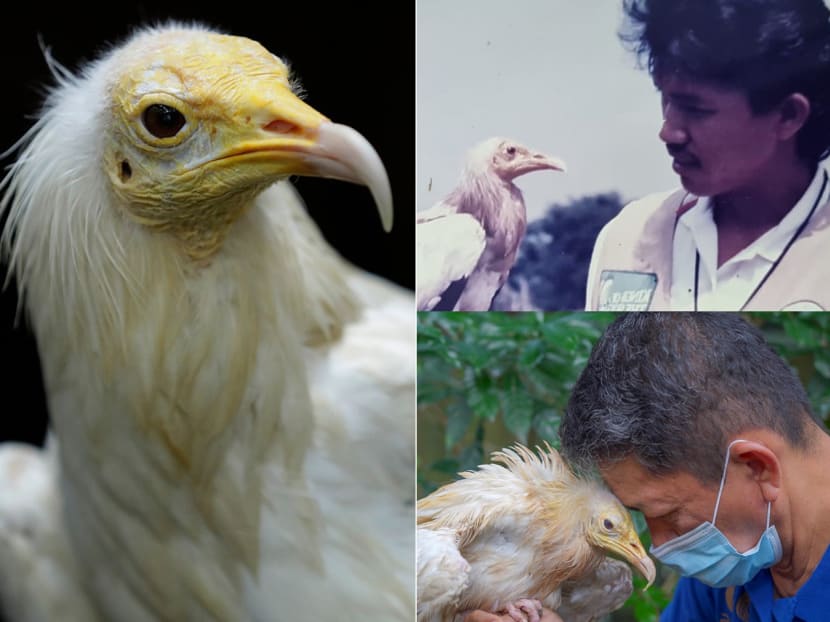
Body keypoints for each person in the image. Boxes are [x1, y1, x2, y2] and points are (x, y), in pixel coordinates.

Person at [557, 313, 830, 621]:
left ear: (757, 468)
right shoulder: (741, 551)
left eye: (669, 515)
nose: (660, 546)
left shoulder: (733, 539)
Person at [585, 0, 830, 311]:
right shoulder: (628, 237)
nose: (668, 132)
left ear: (788, 116)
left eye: (695, 109)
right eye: (666, 99)